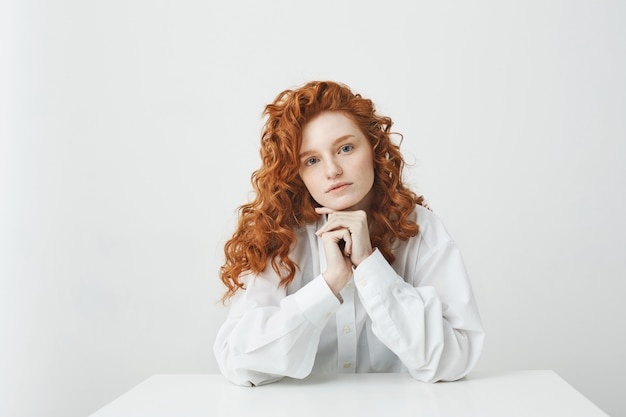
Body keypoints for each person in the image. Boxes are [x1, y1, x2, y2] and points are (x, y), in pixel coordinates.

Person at [213, 80, 484, 386]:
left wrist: (370, 266)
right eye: (312, 160)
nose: (332, 171)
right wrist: (329, 284)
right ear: (297, 173)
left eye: (345, 148)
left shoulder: (422, 229)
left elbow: (453, 360)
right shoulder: (281, 235)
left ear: (375, 149)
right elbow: (238, 362)